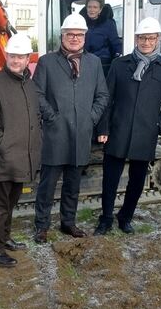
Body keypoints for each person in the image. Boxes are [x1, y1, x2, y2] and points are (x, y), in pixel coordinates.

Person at [95, 18, 161, 235]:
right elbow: (106, 99)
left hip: (145, 133)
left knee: (137, 180)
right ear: (136, 39)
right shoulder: (120, 65)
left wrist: (159, 126)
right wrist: (104, 129)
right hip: (118, 130)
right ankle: (105, 218)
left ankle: (126, 216)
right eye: (142, 37)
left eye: (151, 38)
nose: (146, 42)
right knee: (110, 179)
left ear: (158, 39)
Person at [32, 13, 109, 244]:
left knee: (73, 185)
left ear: (85, 37)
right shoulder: (47, 62)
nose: (74, 38)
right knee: (47, 185)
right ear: (62, 36)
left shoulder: (94, 63)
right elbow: (37, 94)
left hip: (81, 135)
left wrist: (91, 118)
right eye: (70, 34)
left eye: (79, 34)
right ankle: (42, 226)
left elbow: (102, 95)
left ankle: (68, 222)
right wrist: (52, 117)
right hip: (56, 134)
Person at [0, 34, 41, 267]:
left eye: (21, 56)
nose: (16, 60)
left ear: (27, 59)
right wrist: (1, 145)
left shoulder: (29, 83)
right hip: (5, 158)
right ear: (6, 56)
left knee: (11, 203)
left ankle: (4, 238)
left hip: (23, 157)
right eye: (12, 56)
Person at [79, 0, 122, 77]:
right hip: (83, 61)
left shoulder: (108, 23)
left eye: (95, 7)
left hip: (103, 63)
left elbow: (116, 43)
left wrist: (117, 59)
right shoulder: (80, 22)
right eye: (89, 7)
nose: (92, 10)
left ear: (100, 9)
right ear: (86, 8)